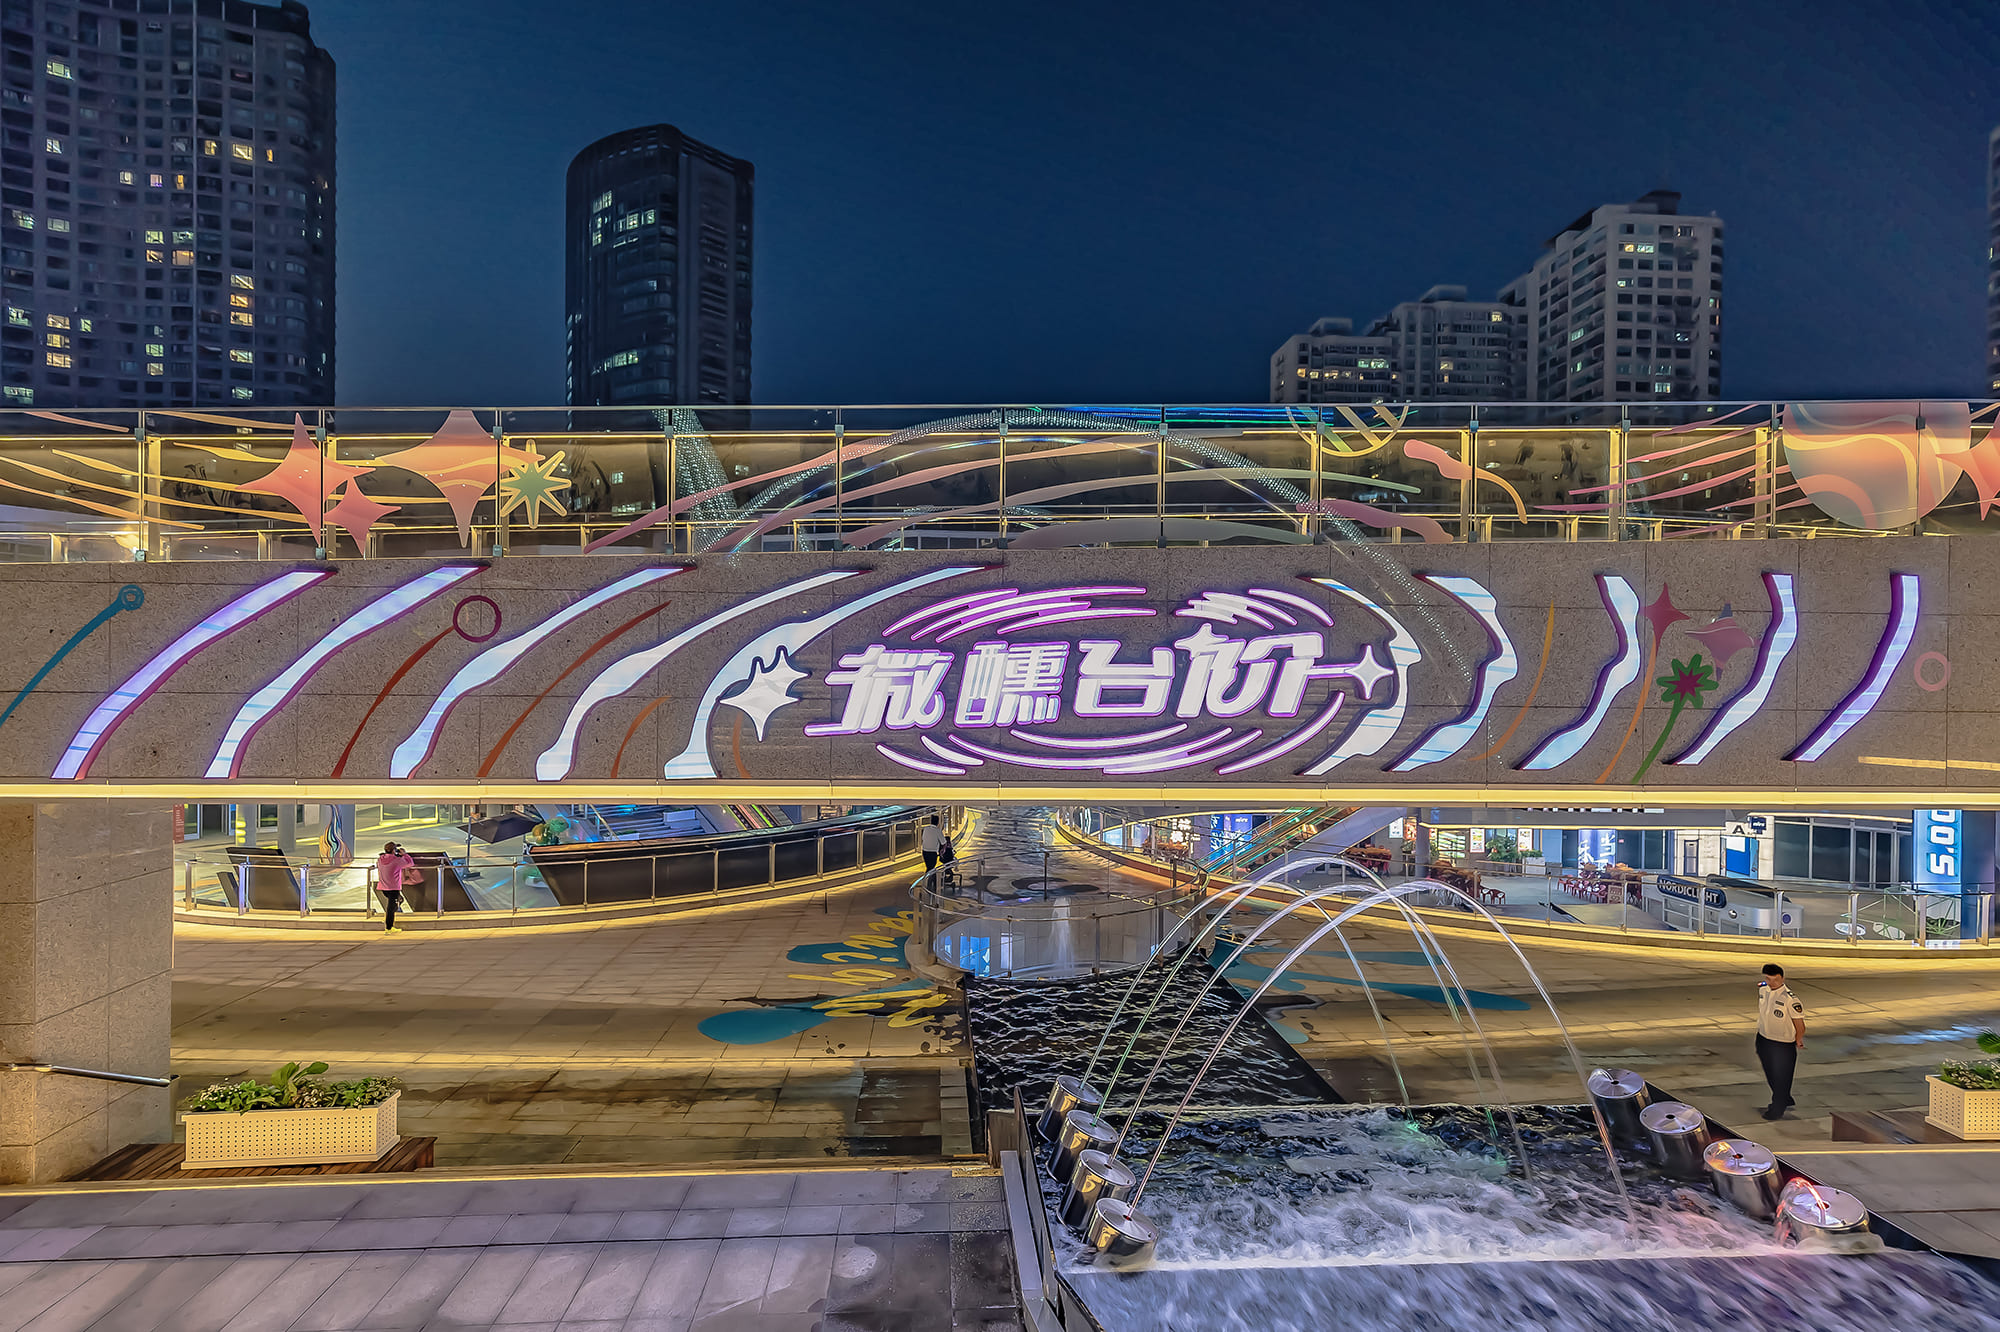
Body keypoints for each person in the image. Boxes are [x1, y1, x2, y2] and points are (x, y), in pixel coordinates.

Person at [1755, 962, 1806, 1119]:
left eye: (1775, 980)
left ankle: (1777, 1108)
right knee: (1770, 1072)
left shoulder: (1790, 999)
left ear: (1782, 978)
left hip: (1782, 1044)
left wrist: (1798, 1039)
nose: (1772, 983)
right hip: (1763, 1038)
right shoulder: (1763, 990)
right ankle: (1784, 1096)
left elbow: (1800, 1025)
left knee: (1782, 1076)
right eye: (1768, 979)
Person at [375, 841, 416, 933]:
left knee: (398, 901)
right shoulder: (396, 860)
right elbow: (410, 863)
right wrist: (404, 854)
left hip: (383, 887)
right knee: (391, 908)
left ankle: (388, 919)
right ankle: (389, 928)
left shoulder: (380, 859)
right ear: (393, 850)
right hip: (393, 888)